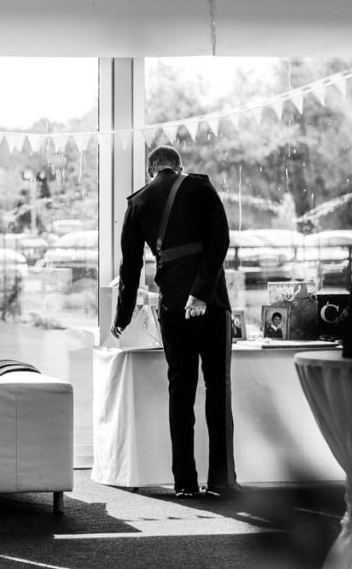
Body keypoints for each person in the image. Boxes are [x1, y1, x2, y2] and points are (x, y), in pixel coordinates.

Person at [111, 145, 239, 499]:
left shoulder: (137, 203)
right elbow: (220, 240)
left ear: (151, 170)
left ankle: (184, 482)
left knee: (180, 391)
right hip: (210, 302)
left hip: (170, 306)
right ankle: (222, 481)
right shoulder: (199, 186)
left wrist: (122, 316)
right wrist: (200, 293)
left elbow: (130, 269)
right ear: (179, 166)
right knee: (218, 388)